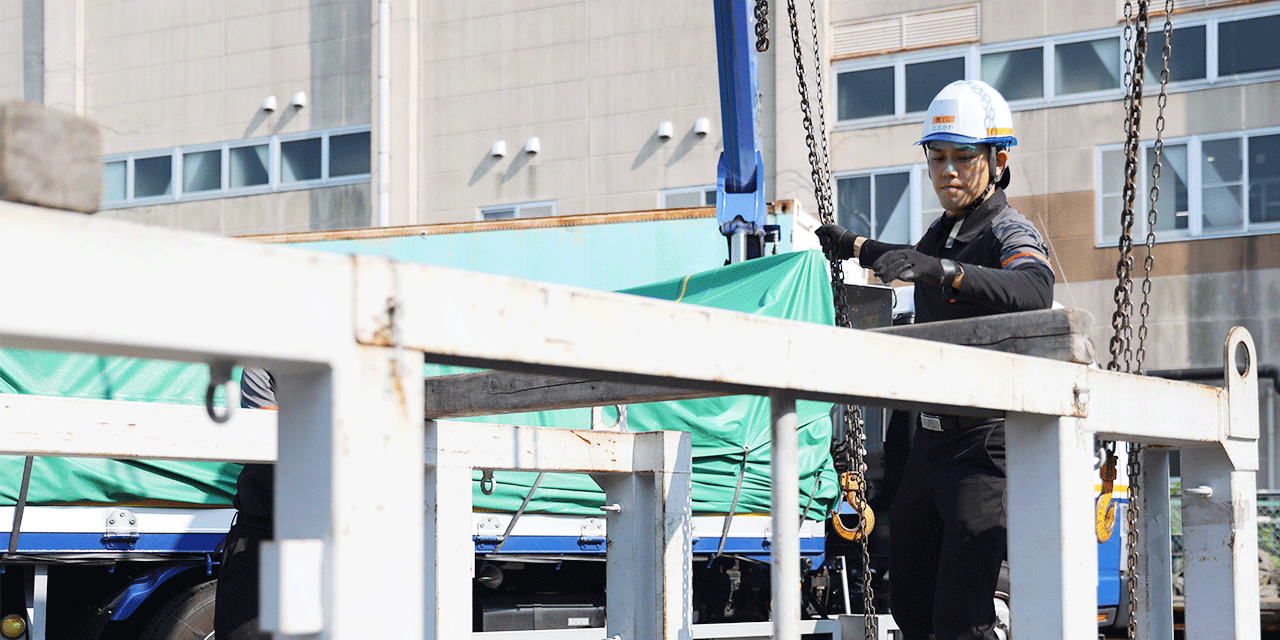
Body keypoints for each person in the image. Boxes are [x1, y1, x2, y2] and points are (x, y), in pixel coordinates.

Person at [816, 79, 1054, 640]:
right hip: (929, 444)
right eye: (938, 156)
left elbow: (1034, 287)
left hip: (981, 447)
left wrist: (945, 272)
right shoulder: (943, 232)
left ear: (997, 161)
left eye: (963, 157)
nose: (948, 170)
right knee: (913, 609)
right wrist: (854, 246)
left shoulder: (1004, 228)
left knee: (961, 619)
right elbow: (908, 262)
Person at [214, 368, 277, 640]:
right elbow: (272, 425)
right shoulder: (263, 362)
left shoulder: (366, 365)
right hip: (262, 533)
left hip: (335, 534)